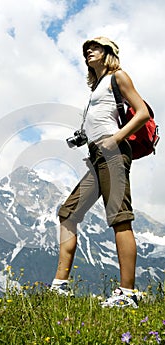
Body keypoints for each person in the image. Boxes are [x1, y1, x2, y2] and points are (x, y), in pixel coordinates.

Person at [50, 36, 149, 308]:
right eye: (85, 50)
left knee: (119, 216)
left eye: (94, 47)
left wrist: (115, 140)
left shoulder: (119, 77)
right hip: (98, 156)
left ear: (108, 53)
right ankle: (60, 286)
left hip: (114, 152)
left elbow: (142, 113)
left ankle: (127, 294)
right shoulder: (96, 89)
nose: (88, 52)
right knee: (68, 213)